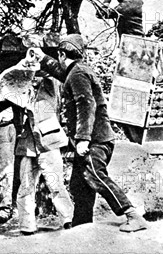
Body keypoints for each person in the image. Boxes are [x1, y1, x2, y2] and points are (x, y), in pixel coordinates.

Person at [29, 35, 149, 232]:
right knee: (80, 183)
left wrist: (83, 139)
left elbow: (86, 104)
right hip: (94, 138)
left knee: (94, 175)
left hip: (95, 139)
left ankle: (132, 215)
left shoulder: (77, 74)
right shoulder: (77, 71)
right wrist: (42, 57)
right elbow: (61, 72)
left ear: (61, 54)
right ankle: (81, 225)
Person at [15, 72, 74, 235]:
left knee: (55, 183)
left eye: (37, 74)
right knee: (26, 185)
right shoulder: (24, 91)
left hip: (48, 141)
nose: (34, 77)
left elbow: (53, 77)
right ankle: (27, 225)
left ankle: (68, 218)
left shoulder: (51, 86)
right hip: (28, 144)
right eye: (31, 75)